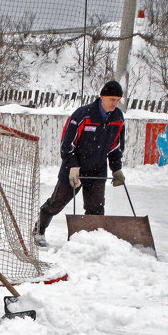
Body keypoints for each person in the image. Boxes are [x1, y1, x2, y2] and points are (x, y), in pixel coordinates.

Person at [34, 80, 126, 246]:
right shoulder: (83, 115)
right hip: (74, 168)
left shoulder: (118, 118)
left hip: (97, 170)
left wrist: (116, 169)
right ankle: (38, 230)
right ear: (102, 97)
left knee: (96, 209)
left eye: (118, 100)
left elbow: (116, 147)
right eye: (112, 99)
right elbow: (67, 144)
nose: (115, 103)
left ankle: (92, 242)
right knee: (56, 203)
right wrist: (73, 166)